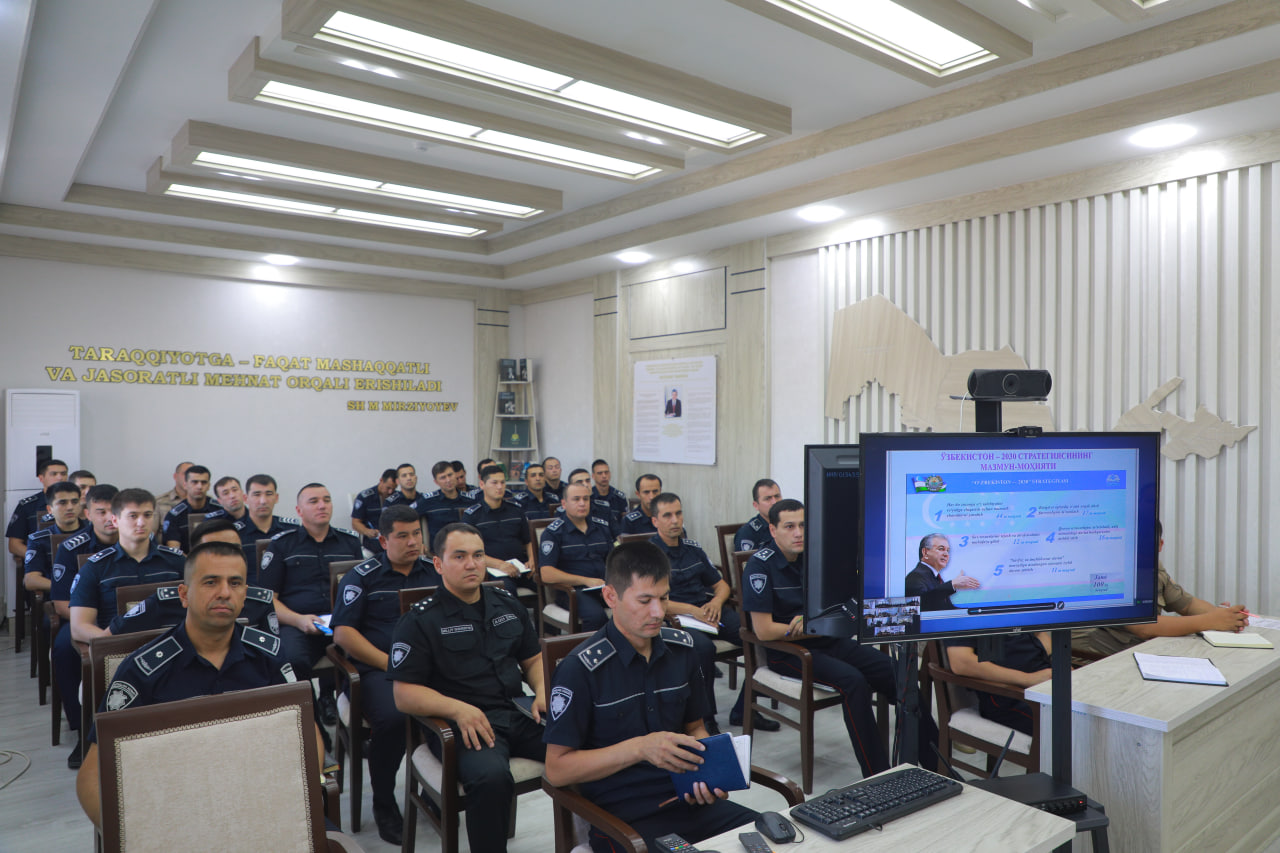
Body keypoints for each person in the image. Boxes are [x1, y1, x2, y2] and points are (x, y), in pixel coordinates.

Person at [75, 540, 313, 828]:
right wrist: (135, 837)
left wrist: (290, 800)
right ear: (184, 594)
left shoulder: (269, 655)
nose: (224, 593)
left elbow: (308, 737)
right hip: (176, 809)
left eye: (235, 583)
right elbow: (93, 776)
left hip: (258, 798)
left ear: (244, 594)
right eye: (211, 582)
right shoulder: (143, 670)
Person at [544, 540, 761, 852]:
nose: (659, 612)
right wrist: (639, 749)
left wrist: (710, 776)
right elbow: (557, 769)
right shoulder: (580, 669)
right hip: (624, 820)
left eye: (664, 598)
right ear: (611, 596)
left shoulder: (683, 650)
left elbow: (696, 728)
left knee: (771, 840)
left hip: (690, 802)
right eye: (645, 600)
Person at [741, 499, 937, 778]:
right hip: (788, 652)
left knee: (898, 672)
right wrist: (807, 627)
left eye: (803, 525)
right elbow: (762, 631)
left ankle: (936, 765)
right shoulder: (759, 567)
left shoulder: (816, 558)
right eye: (789, 526)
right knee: (853, 682)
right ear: (773, 530)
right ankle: (878, 775)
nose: (798, 533)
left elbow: (842, 606)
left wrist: (819, 622)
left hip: (829, 639)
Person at [390, 523, 547, 853]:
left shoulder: (506, 603)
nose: (471, 564)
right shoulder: (419, 621)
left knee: (580, 743)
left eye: (478, 555)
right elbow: (404, 694)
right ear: (438, 563)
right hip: (461, 726)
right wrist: (458, 709)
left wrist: (543, 689)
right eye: (459, 556)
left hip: (515, 711)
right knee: (491, 779)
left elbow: (533, 659)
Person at [330, 505, 443, 844]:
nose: (413, 543)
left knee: (465, 702)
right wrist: (391, 664)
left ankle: (435, 789)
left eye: (417, 535)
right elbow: (343, 635)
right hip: (380, 669)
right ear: (382, 541)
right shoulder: (362, 577)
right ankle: (384, 801)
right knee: (394, 719)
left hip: (432, 666)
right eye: (403, 536)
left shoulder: (435, 571)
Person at [60, 488, 185, 767]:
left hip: (172, 652)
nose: (141, 522)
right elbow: (79, 628)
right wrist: (111, 644)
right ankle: (96, 744)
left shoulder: (177, 561)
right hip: (118, 657)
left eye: (147, 515)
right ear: (115, 520)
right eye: (133, 516)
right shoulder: (95, 568)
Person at [649, 492, 780, 734]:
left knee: (757, 635)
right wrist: (692, 610)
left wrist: (717, 603)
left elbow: (721, 585)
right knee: (703, 649)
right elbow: (651, 599)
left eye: (678, 513)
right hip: (673, 618)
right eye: (667, 515)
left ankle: (744, 710)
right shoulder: (650, 554)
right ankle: (704, 719)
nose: (675, 520)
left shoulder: (693, 548)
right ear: (655, 520)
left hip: (707, 611)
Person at [260, 483, 363, 725]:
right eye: (314, 501)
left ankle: (347, 713)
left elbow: (361, 589)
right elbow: (268, 599)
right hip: (298, 623)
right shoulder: (282, 545)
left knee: (370, 652)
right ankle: (312, 722)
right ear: (299, 510)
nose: (322, 505)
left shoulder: (349, 542)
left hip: (342, 621)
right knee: (292, 660)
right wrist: (299, 620)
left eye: (326, 500)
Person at [1072, 520, 1249, 657]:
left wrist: (1227, 616)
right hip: (1095, 659)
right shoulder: (1104, 574)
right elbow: (1145, 627)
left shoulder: (1154, 568)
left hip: (1139, 652)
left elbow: (1187, 604)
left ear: (1159, 546)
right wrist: (1210, 620)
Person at [108, 517, 278, 636]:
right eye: (215, 550)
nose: (226, 557)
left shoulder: (260, 601)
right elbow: (107, 643)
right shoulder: (164, 602)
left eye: (234, 549)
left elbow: (273, 659)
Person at [48, 484, 119, 760]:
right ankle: (82, 730)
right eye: (101, 512)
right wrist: (93, 626)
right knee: (64, 650)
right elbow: (61, 604)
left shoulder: (135, 539)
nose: (109, 518)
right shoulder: (71, 548)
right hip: (83, 618)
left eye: (113, 511)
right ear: (88, 514)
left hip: (125, 618)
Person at [539, 482, 614, 632]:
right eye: (576, 499)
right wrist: (585, 580)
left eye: (586, 499)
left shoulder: (601, 527)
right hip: (573, 591)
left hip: (603, 586)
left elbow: (613, 561)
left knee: (632, 606)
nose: (582, 503)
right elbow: (546, 573)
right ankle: (591, 647)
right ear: (564, 504)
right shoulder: (553, 533)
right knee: (596, 616)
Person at [943, 633, 1052, 735]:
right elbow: (961, 662)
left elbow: (1039, 634)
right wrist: (1028, 679)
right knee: (1060, 720)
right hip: (1010, 695)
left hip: (1045, 680)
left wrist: (1057, 665)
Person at [463, 465, 533, 594]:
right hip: (493, 570)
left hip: (521, 567)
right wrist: (500, 565)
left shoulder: (516, 510)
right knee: (507, 589)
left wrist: (532, 559)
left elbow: (528, 540)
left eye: (502, 482)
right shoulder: (472, 515)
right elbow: (470, 552)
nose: (500, 487)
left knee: (544, 580)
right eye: (494, 483)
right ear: (482, 485)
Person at [22, 481, 87, 594]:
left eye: (75, 502)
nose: (70, 507)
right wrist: (68, 589)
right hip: (58, 596)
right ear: (49, 509)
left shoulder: (93, 533)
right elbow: (30, 580)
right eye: (63, 503)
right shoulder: (38, 540)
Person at [234, 474, 295, 580]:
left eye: (269, 494)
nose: (263, 501)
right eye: (257, 495)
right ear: (245, 498)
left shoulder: (291, 530)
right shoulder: (234, 533)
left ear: (276, 498)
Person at [6, 457, 69, 560]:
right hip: (39, 561)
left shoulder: (75, 504)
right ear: (41, 478)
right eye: (54, 474)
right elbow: (14, 545)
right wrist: (36, 558)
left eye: (63, 474)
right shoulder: (27, 505)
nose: (59, 478)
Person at [905, 534, 980, 611]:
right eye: (941, 549)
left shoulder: (936, 578)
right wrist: (952, 584)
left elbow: (946, 609)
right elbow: (921, 605)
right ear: (925, 552)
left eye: (947, 550)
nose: (946, 554)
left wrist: (976, 612)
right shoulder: (915, 577)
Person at [161, 464, 220, 552]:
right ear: (185, 485)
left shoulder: (219, 510)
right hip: (186, 559)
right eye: (194, 482)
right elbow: (174, 552)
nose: (199, 486)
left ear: (208, 486)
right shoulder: (174, 515)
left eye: (203, 482)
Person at [421, 460, 472, 547]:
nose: (448, 480)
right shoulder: (428, 500)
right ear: (436, 482)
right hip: (439, 550)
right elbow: (408, 515)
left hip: (466, 547)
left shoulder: (470, 500)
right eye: (443, 478)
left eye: (450, 475)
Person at [351, 468, 398, 554]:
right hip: (373, 541)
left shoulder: (397, 497)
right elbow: (355, 522)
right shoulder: (365, 497)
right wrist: (367, 531)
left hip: (393, 540)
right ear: (381, 480)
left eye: (394, 488)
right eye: (388, 488)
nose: (390, 492)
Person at [734, 479, 781, 553]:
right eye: (767, 499)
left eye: (777, 496)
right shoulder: (748, 533)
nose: (774, 502)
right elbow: (747, 560)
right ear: (756, 505)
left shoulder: (789, 526)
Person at [590, 459, 629, 525]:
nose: (604, 476)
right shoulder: (588, 497)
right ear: (593, 476)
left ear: (610, 474)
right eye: (600, 473)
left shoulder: (619, 497)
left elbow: (624, 522)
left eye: (606, 472)